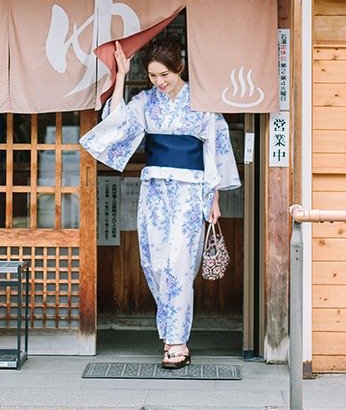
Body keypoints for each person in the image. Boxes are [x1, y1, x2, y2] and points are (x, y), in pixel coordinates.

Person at [80, 32, 240, 369]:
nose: (159, 82)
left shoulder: (201, 103)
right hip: (154, 189)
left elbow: (215, 148)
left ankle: (176, 341)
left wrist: (214, 198)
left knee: (179, 264)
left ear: (179, 68)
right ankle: (170, 331)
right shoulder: (146, 102)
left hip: (190, 189)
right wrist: (122, 76)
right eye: (153, 76)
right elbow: (118, 123)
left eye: (164, 75)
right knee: (153, 262)